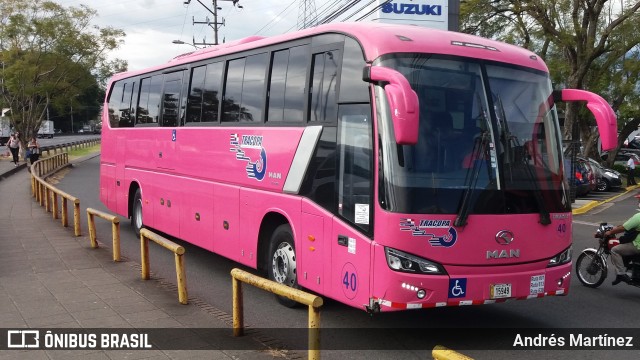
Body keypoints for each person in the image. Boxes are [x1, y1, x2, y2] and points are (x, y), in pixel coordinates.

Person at [602, 194, 640, 285]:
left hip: (637, 245)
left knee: (615, 250)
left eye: (639, 201)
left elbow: (623, 228)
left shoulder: (638, 216)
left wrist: (610, 232)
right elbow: (627, 225)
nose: (638, 202)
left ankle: (621, 274)